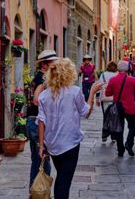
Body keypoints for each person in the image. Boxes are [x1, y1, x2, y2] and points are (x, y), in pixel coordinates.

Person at [37, 58, 95, 199]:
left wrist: (41, 146)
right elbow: (85, 112)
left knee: (62, 176)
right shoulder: (75, 92)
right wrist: (92, 92)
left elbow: (41, 122)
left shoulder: (44, 95)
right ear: (69, 73)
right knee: (65, 179)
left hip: (52, 143)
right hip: (70, 143)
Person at [26, 49, 57, 186]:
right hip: (36, 123)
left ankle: (35, 192)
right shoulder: (42, 79)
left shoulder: (38, 77)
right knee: (44, 161)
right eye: (53, 63)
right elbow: (37, 101)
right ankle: (41, 191)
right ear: (44, 65)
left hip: (32, 121)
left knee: (37, 161)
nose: (55, 66)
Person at [104, 60, 135, 157]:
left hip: (118, 108)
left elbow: (107, 93)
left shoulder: (113, 80)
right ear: (127, 70)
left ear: (118, 69)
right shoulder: (132, 80)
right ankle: (129, 144)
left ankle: (120, 149)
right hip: (130, 108)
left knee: (119, 128)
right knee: (133, 127)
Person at [96, 61, 119, 142]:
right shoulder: (117, 75)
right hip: (114, 99)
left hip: (105, 99)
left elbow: (98, 87)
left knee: (105, 117)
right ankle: (113, 136)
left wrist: (97, 99)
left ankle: (104, 135)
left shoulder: (103, 75)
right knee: (114, 117)